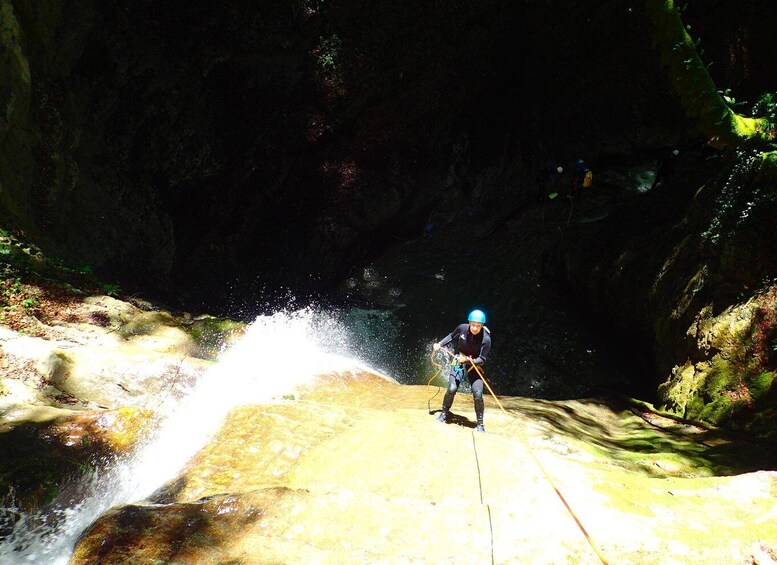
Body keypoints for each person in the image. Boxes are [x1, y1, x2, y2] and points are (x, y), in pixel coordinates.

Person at [432, 309, 492, 432]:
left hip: (474, 364)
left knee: (478, 394)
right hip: (459, 358)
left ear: (482, 326)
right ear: (469, 323)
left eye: (478, 326)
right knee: (452, 388)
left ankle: (480, 424)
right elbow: (451, 336)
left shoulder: (486, 339)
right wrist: (440, 344)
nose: (475, 328)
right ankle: (444, 413)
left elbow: (482, 359)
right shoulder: (462, 329)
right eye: (473, 325)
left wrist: (467, 361)